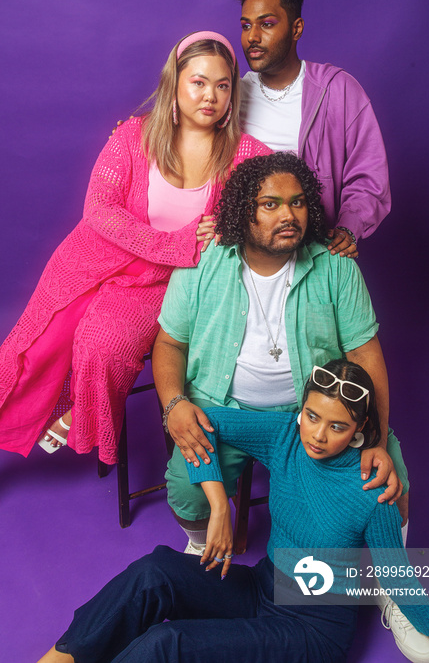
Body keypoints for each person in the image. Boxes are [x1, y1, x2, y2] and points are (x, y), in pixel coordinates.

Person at [37, 361, 429, 663]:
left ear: (360, 431)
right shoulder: (286, 437)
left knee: (169, 643)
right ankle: (60, 658)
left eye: (337, 427)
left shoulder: (374, 489)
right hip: (264, 587)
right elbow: (197, 422)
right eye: (312, 416)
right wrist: (219, 503)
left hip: (312, 631)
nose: (317, 435)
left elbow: (399, 575)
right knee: (155, 572)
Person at [0, 31, 270, 464]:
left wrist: (234, 227)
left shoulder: (246, 156)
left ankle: (78, 417)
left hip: (165, 283)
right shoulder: (133, 136)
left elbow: (278, 201)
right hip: (95, 261)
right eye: (198, 82)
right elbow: (98, 211)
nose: (211, 96)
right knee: (35, 349)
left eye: (223, 85)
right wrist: (176, 242)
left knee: (101, 343)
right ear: (174, 84)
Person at [153, 151, 406, 554]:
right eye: (270, 204)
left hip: (314, 414)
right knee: (186, 486)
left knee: (389, 480)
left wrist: (374, 436)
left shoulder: (336, 265)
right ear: (243, 211)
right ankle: (203, 547)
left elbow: (365, 355)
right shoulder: (202, 261)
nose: (289, 215)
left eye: (298, 202)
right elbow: (170, 343)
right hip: (226, 410)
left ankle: (392, 584)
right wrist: (174, 403)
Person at [234, 0, 391, 259]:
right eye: (246, 26)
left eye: (267, 24)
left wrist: (348, 228)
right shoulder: (231, 95)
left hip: (315, 252)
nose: (252, 37)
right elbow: (188, 142)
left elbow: (369, 176)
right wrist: (135, 136)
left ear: (296, 28)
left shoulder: (338, 90)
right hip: (245, 255)